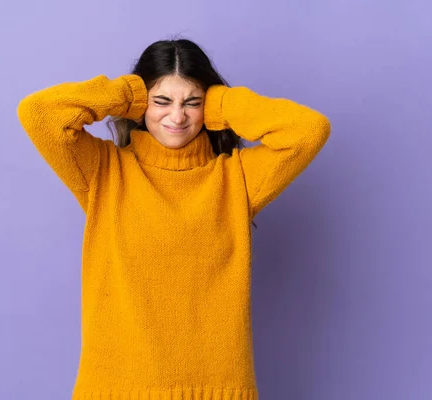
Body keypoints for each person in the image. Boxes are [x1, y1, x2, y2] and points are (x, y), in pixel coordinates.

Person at [17, 38, 330, 400]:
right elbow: (39, 113)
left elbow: (308, 130)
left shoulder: (237, 179)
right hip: (117, 388)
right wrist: (128, 94)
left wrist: (222, 102)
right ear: (141, 104)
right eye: (161, 101)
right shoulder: (103, 171)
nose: (177, 117)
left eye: (192, 103)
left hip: (217, 389)